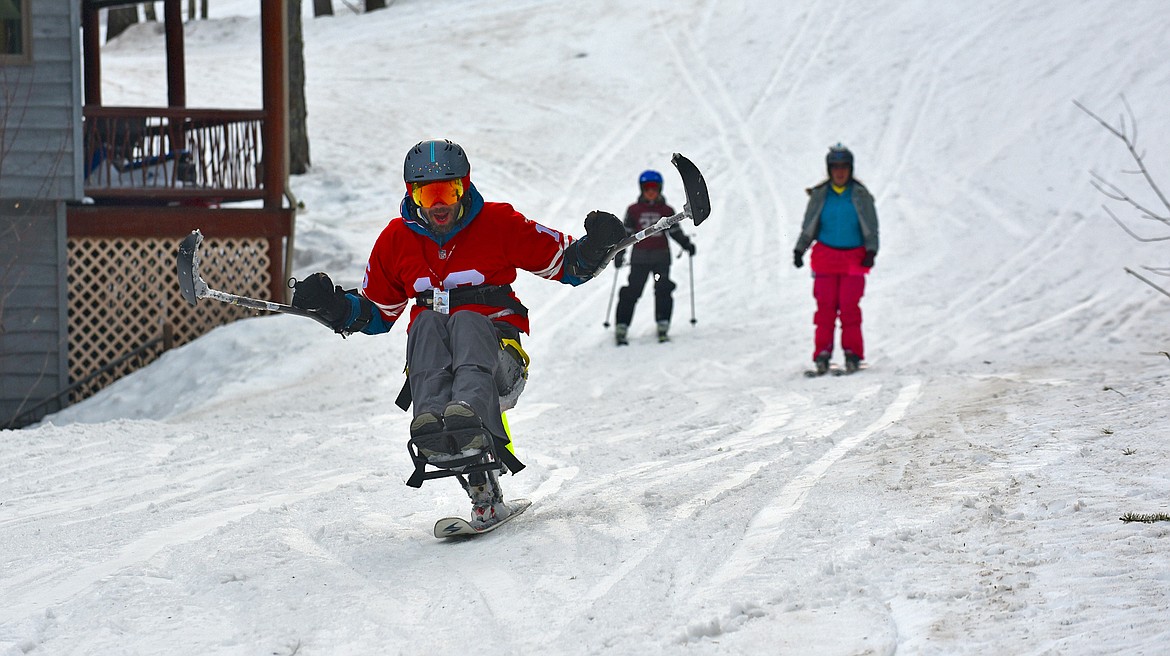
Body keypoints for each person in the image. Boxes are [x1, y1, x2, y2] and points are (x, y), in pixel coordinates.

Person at [290, 139, 626, 525]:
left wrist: (597, 245)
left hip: (498, 362)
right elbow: (378, 314)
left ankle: (465, 418)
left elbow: (564, 264)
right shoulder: (396, 241)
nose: (439, 204)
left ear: (464, 186)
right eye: (427, 192)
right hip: (437, 370)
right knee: (428, 323)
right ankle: (436, 431)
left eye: (448, 190)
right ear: (412, 193)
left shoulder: (498, 223)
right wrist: (333, 306)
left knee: (466, 319)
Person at [792, 144, 879, 375]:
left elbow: (871, 226)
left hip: (854, 258)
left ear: (850, 169)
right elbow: (809, 225)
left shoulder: (860, 195)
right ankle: (823, 355)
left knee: (850, 308)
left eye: (844, 167)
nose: (840, 172)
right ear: (829, 169)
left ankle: (853, 354)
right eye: (835, 167)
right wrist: (800, 249)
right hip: (826, 258)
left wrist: (871, 250)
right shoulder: (820, 195)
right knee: (825, 310)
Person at [612, 169, 696, 345]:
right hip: (639, 259)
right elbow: (625, 235)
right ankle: (622, 326)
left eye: (654, 188)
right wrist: (619, 253)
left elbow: (674, 231)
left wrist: (686, 244)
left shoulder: (666, 210)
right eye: (647, 188)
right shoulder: (633, 210)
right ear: (641, 189)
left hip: (661, 258)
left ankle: (663, 323)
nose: (651, 191)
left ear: (660, 189)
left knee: (663, 289)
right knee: (632, 291)